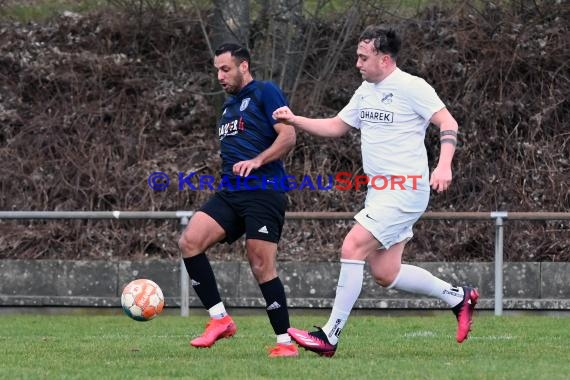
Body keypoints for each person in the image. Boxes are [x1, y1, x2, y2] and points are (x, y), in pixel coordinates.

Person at [272, 25, 478, 357]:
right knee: (386, 273)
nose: (357, 63)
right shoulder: (365, 91)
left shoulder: (412, 87)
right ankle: (458, 296)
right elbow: (338, 125)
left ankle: (329, 336)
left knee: (352, 246)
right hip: (380, 192)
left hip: (405, 189)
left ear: (383, 59)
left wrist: (444, 165)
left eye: (362, 57)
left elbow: (448, 122)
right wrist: (296, 119)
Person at [178, 43, 298, 357]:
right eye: (217, 70)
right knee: (189, 241)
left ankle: (285, 343)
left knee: (260, 265)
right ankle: (220, 320)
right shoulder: (228, 108)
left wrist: (258, 161)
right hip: (231, 192)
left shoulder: (265, 92)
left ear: (244, 66)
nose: (220, 76)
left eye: (225, 69)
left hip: (264, 191)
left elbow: (288, 136)